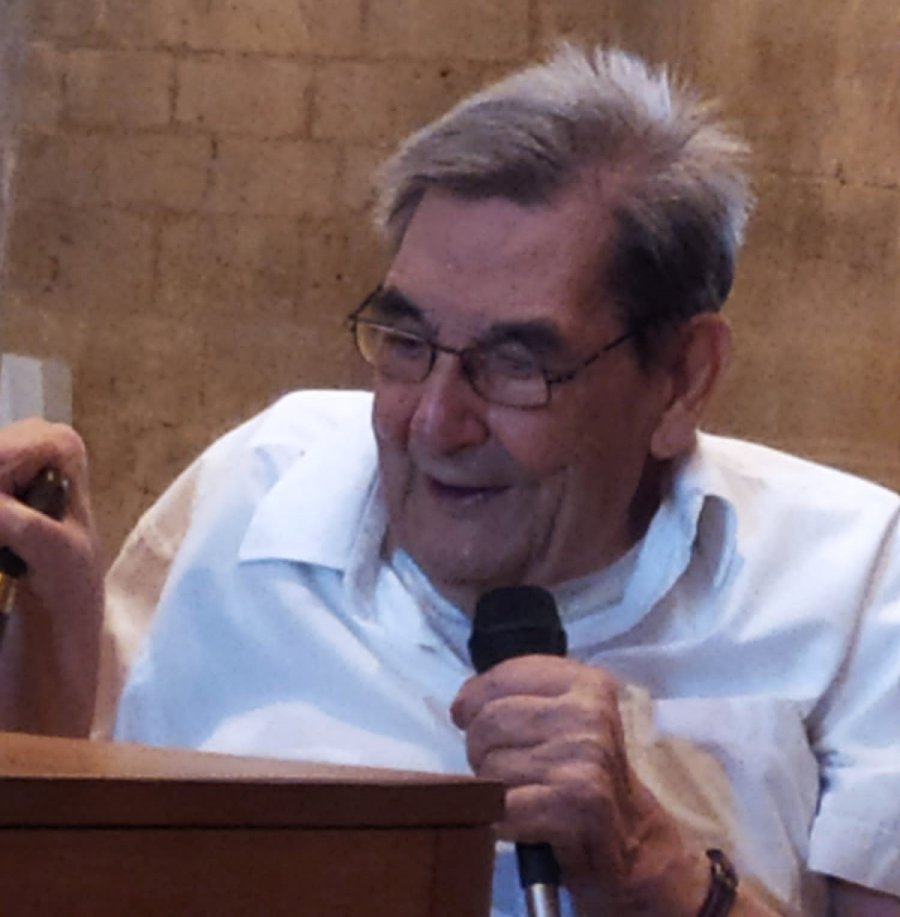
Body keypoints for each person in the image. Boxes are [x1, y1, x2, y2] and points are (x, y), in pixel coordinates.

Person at [0, 44, 898, 916]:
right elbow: (64, 842)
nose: (434, 422)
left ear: (681, 378)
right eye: (407, 342)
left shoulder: (853, 580)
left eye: (516, 364)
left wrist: (653, 874)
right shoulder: (256, 487)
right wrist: (43, 619)